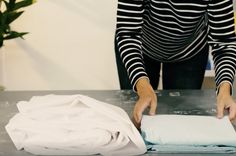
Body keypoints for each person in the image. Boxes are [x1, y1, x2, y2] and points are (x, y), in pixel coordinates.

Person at [115, 0, 236, 128]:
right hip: (139, 48)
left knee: (181, 124)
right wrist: (142, 85)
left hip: (189, 50)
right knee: (136, 120)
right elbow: (127, 33)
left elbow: (224, 43)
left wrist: (224, 88)